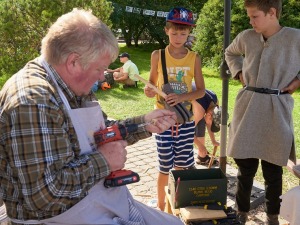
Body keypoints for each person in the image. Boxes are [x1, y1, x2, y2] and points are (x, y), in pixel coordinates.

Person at [0, 8, 185, 225]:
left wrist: (145, 123)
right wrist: (104, 161)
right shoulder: (34, 101)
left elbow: (101, 130)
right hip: (56, 218)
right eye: (100, 68)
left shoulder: (69, 82)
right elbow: (44, 196)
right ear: (73, 62)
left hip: (92, 200)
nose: (102, 76)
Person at [225, 0, 300, 224]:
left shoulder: (295, 38)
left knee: (273, 170)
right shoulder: (247, 36)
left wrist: (297, 81)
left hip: (277, 108)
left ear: (272, 13)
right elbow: (230, 53)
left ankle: (273, 216)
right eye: (249, 17)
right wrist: (238, 72)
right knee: (245, 168)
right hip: (247, 106)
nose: (250, 21)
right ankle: (241, 211)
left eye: (254, 16)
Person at [144, 7, 205, 211]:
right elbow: (150, 85)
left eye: (183, 33)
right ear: (166, 30)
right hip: (162, 120)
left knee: (181, 166)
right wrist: (149, 91)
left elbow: (201, 91)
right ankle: (161, 209)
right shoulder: (157, 55)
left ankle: (175, 207)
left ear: (189, 34)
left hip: (185, 121)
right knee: (164, 167)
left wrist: (181, 97)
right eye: (175, 32)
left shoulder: (194, 57)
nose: (179, 37)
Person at [191, 88, 220, 166]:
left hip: (198, 100)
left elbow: (209, 123)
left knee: (202, 121)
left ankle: (202, 157)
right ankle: (185, 163)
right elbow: (187, 131)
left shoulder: (215, 102)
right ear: (209, 115)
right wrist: (200, 146)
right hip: (180, 97)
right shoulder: (199, 111)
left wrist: (213, 141)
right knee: (198, 121)